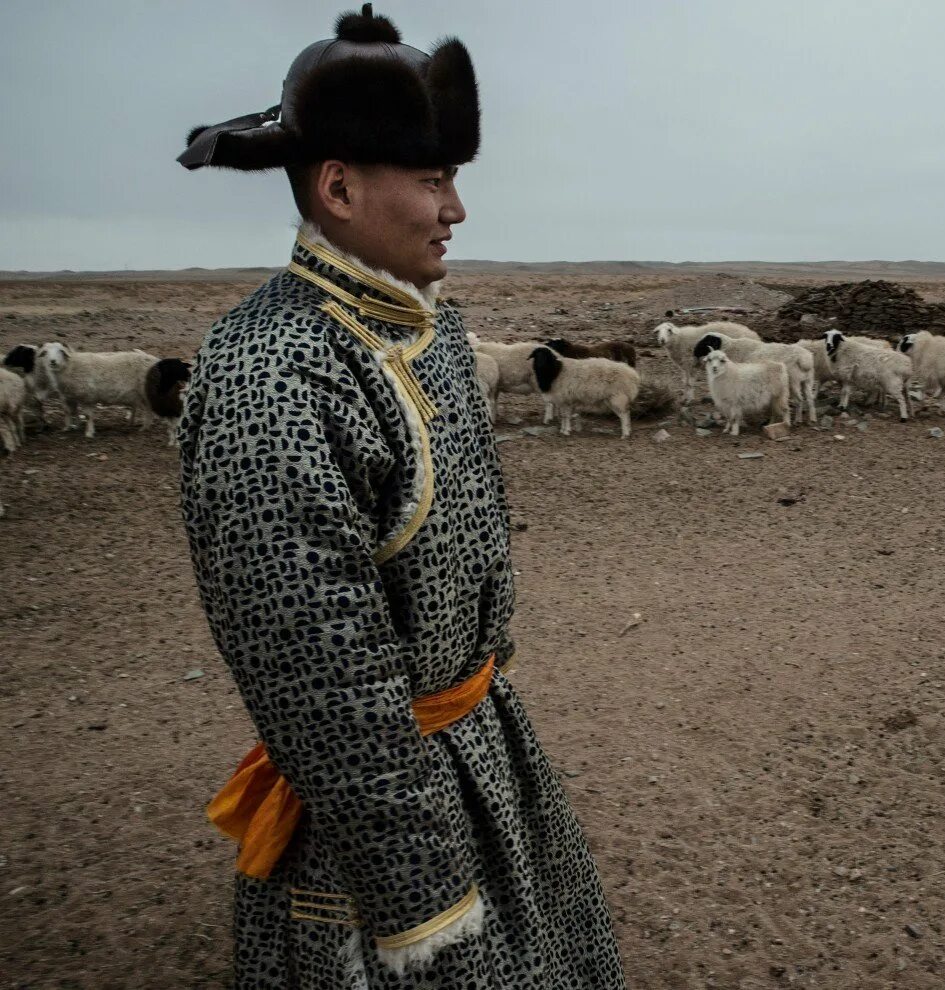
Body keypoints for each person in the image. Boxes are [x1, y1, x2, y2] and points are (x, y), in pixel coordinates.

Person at [175, 7, 627, 987]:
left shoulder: (427, 336)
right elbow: (323, 691)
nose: (455, 210)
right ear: (336, 186)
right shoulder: (277, 377)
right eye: (432, 180)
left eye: (452, 179)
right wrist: (427, 910)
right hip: (375, 833)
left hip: (478, 754)